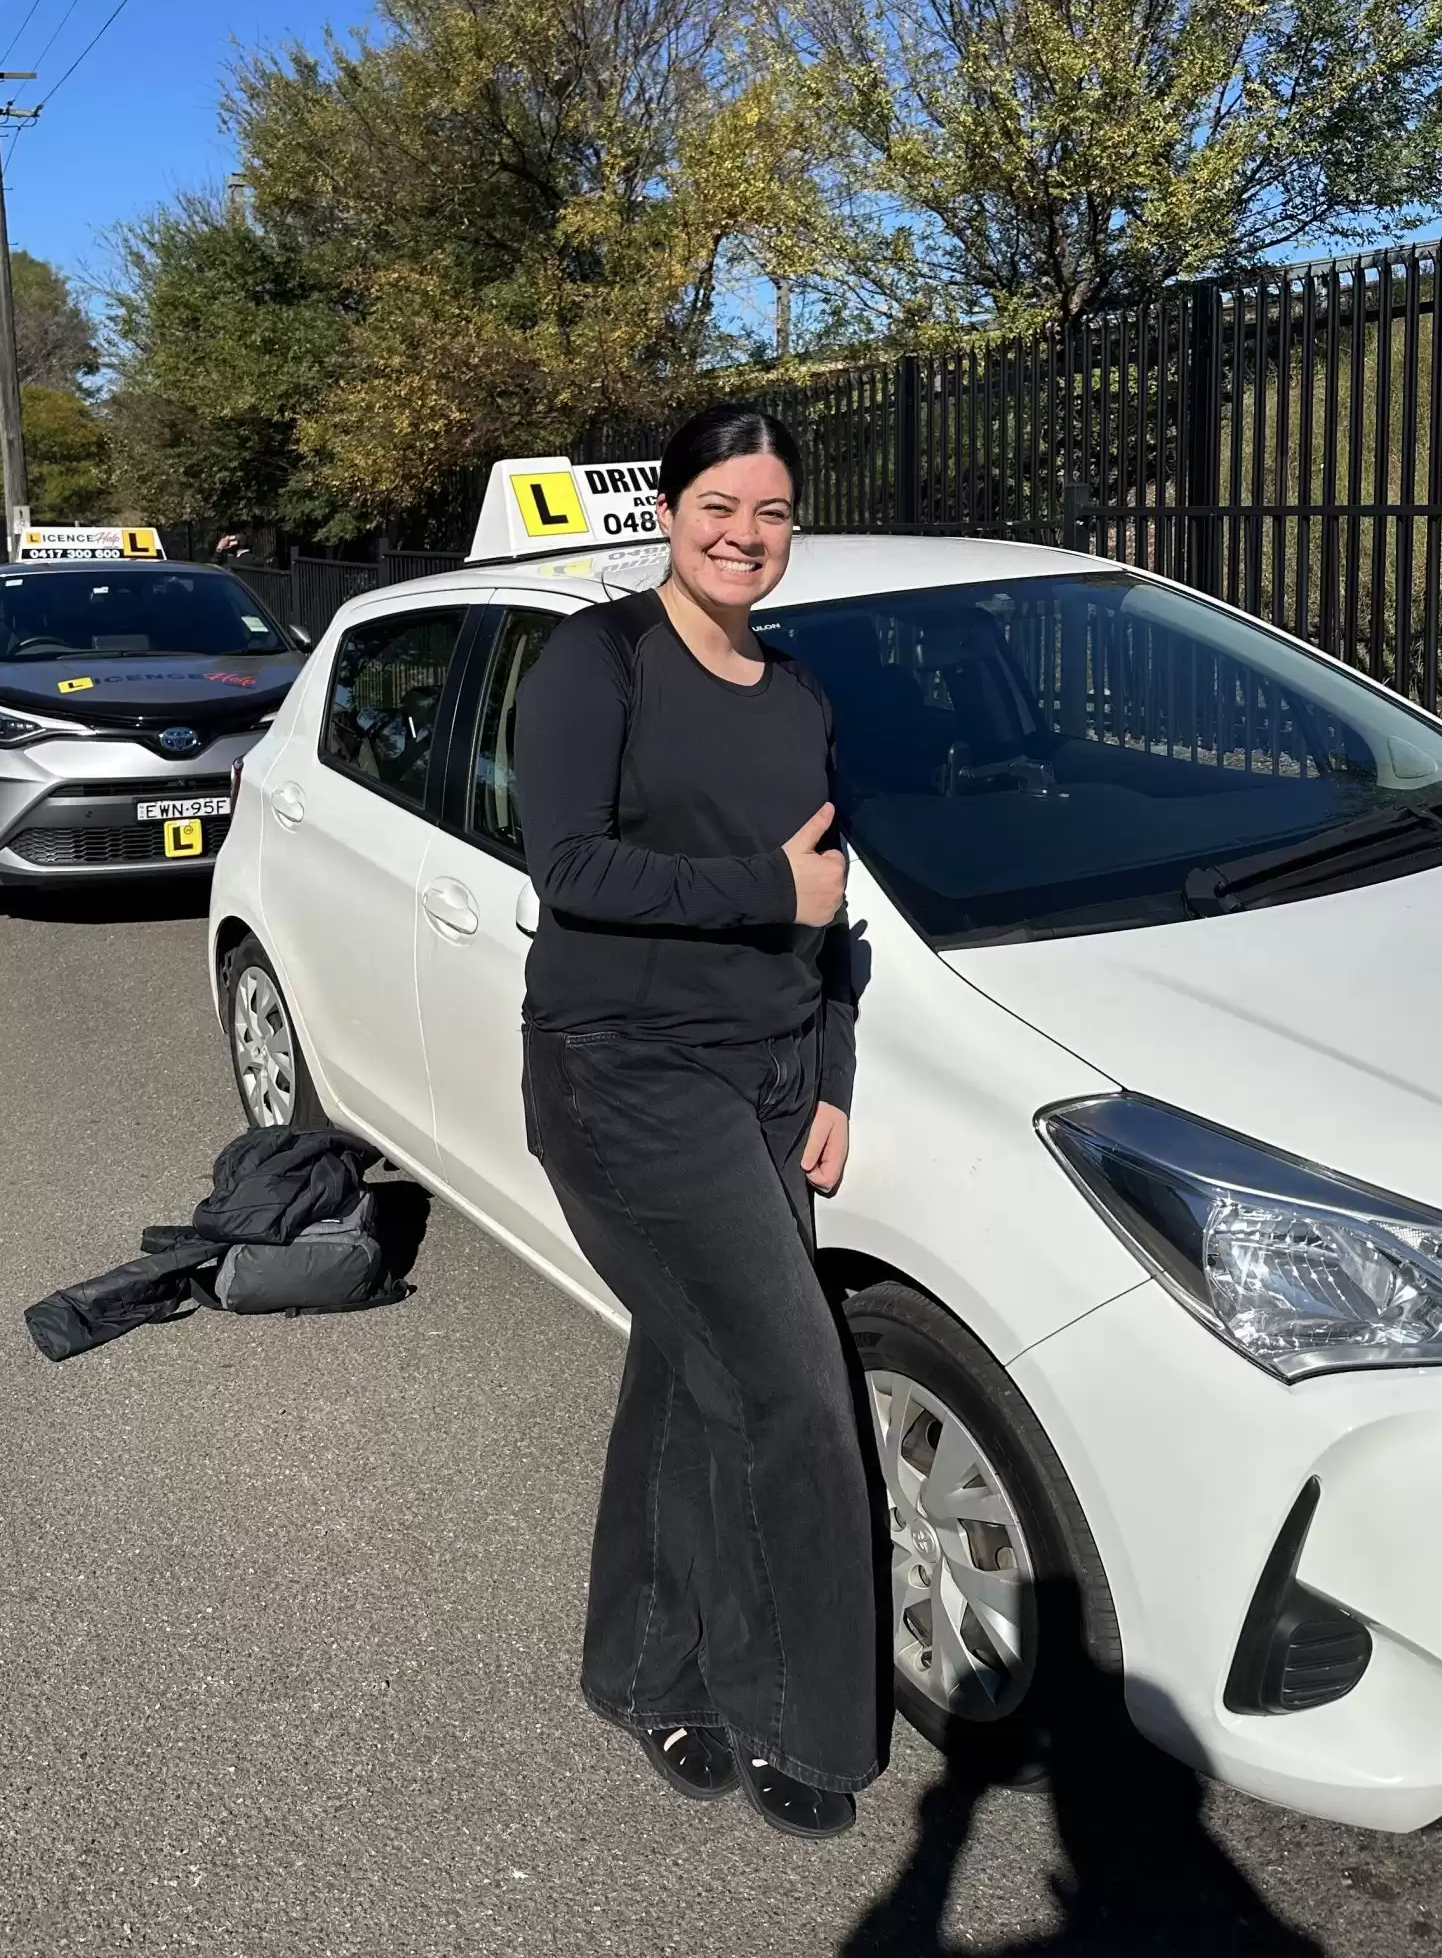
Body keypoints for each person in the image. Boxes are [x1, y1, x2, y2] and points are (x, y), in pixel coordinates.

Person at [516, 402, 881, 1840]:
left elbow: (830, 897)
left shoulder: (798, 695)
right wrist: (761, 891)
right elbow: (569, 866)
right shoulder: (597, 661)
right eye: (720, 506)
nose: (745, 534)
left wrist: (832, 1064)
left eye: (772, 512)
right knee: (787, 1395)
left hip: (770, 1077)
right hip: (625, 1080)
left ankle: (643, 1669)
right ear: (670, 513)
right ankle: (788, 1711)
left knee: (689, 1376)